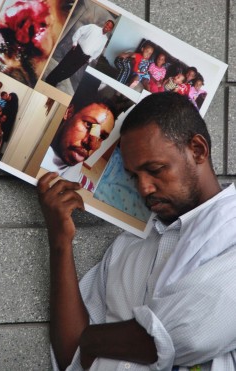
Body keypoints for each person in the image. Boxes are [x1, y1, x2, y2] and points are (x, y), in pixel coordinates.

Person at [37, 92, 236, 371]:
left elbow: (185, 335)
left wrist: (90, 341)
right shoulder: (126, 247)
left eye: (155, 169)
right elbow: (71, 353)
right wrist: (60, 240)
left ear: (198, 150)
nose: (144, 188)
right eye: (133, 175)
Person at [40, 100, 115, 191]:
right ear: (69, 112)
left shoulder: (89, 190)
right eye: (89, 124)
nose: (92, 145)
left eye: (102, 136)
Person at [45, 20, 115, 87]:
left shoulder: (105, 39)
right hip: (77, 50)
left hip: (84, 58)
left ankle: (54, 81)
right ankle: (48, 80)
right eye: (107, 24)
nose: (107, 27)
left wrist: (90, 59)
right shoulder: (93, 27)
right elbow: (80, 30)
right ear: (105, 23)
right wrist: (75, 42)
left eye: (109, 27)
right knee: (63, 66)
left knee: (69, 72)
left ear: (110, 30)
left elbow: (99, 51)